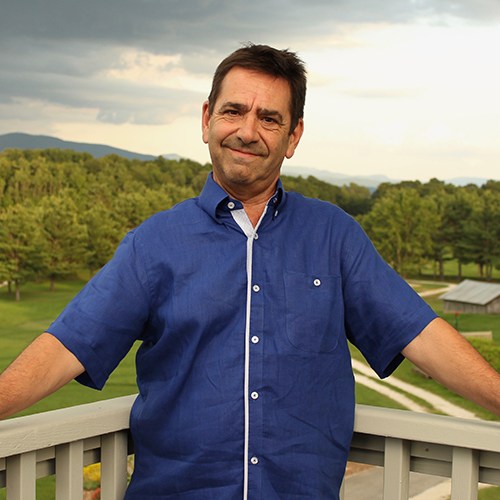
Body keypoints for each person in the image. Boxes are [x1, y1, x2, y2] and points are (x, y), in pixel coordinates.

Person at [1, 43, 500, 500]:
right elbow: (68, 345)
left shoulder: (335, 236)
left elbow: (422, 337)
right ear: (206, 119)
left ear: (293, 136)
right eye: (234, 111)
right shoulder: (153, 244)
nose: (246, 131)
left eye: (269, 118)